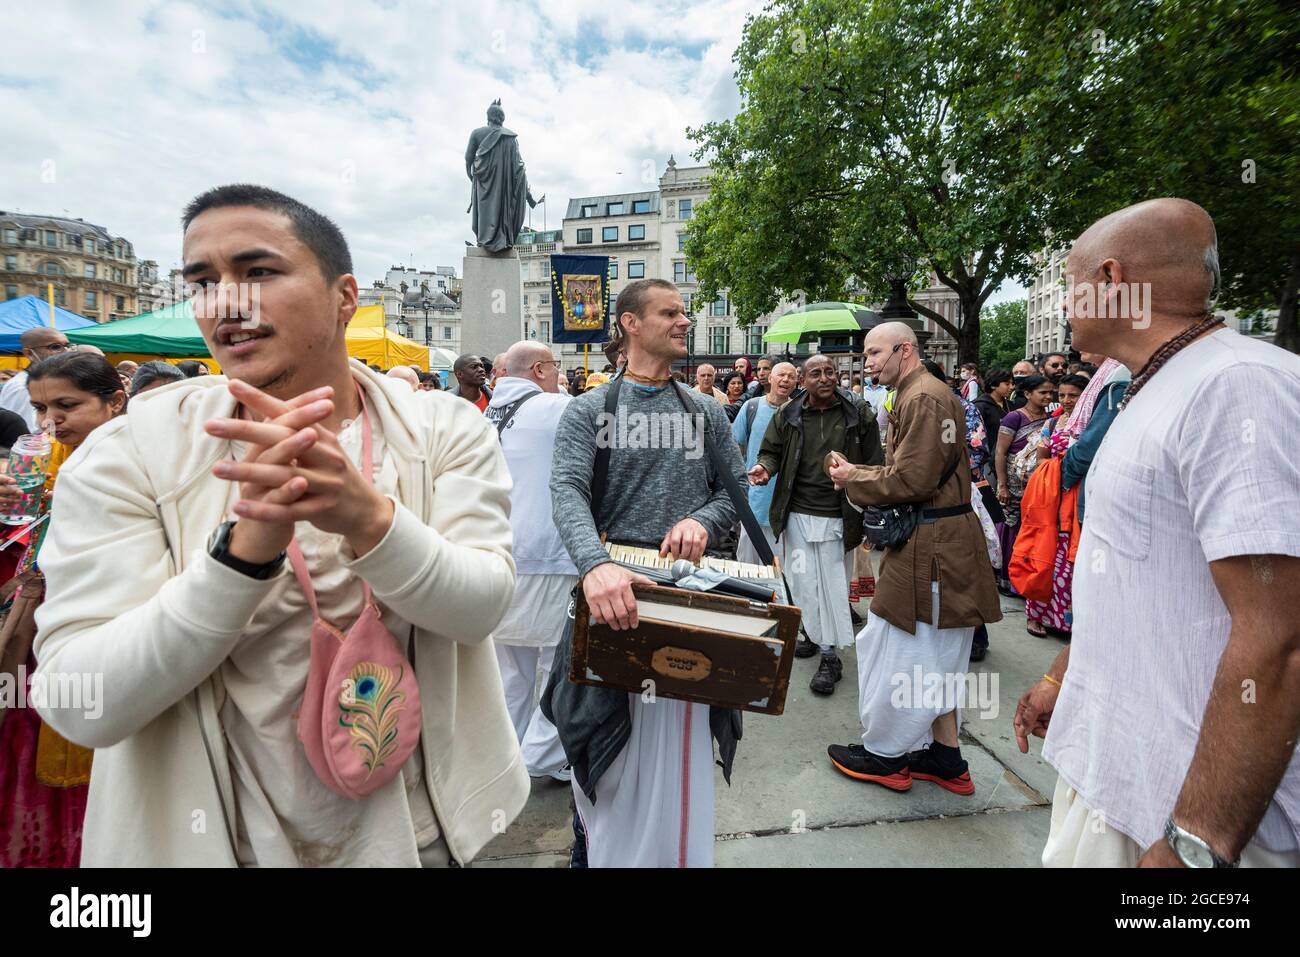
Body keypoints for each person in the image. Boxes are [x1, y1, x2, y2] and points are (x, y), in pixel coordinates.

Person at [31, 184, 526, 867]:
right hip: (213, 843)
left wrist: (368, 519)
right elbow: (80, 701)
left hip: (417, 835)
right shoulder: (132, 449)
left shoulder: (442, 428)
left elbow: (482, 607)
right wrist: (242, 555)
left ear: (344, 297)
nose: (224, 303)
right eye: (202, 281)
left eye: (258, 272)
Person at [1015, 197, 1300, 868]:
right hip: (1120, 782)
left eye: (1072, 278)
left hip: (1185, 818)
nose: (1064, 301)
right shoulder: (1151, 383)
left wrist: (1198, 841)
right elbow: (1137, 574)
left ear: (1113, 280)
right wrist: (1064, 675)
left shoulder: (1239, 386)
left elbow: (1281, 637)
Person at [545, 277, 745, 868]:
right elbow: (566, 491)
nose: (685, 321)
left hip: (684, 607)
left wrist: (703, 521)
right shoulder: (588, 409)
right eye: (670, 312)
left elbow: (731, 496)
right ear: (630, 323)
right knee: (604, 752)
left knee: (675, 760)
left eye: (684, 313)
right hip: (608, 599)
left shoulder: (707, 411)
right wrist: (596, 565)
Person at [827, 322, 1001, 794]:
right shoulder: (919, 392)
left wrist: (852, 479)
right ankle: (946, 759)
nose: (867, 362)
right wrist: (862, 473)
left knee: (898, 651)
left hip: (934, 549)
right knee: (937, 657)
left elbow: (913, 481)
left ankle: (885, 756)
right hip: (938, 543)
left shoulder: (923, 396)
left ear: (905, 350)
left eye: (875, 352)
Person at [0, 352, 127, 867]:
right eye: (38, 409)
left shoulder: (138, 466)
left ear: (115, 401)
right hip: (37, 646)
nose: (50, 422)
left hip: (109, 648)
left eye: (66, 406)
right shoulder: (42, 463)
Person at [749, 354, 882, 695]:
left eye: (829, 372)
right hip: (797, 514)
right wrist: (765, 468)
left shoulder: (859, 415)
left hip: (840, 514)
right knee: (803, 583)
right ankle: (813, 632)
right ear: (802, 380)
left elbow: (875, 464)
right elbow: (771, 451)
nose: (824, 378)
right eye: (816, 373)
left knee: (833, 587)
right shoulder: (788, 415)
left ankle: (830, 656)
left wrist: (862, 491)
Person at [484, 342, 573, 782]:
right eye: (556, 367)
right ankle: (537, 759)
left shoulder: (483, 413)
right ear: (540, 369)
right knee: (558, 663)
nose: (559, 374)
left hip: (496, 557)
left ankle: (503, 757)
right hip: (547, 555)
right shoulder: (555, 408)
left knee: (511, 673)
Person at [1022, 373, 1087, 639]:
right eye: (1063, 395)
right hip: (1052, 498)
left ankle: (1068, 620)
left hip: (1078, 500)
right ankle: (1036, 615)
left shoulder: (1092, 423)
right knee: (1044, 553)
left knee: (1071, 560)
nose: (1067, 400)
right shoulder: (1053, 422)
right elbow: (1041, 456)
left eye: (1073, 395)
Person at [993, 374, 1055, 596]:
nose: (1048, 396)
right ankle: (1007, 579)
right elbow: (1000, 451)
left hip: (1035, 486)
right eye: (1043, 392)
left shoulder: (1051, 420)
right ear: (1027, 394)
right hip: (1012, 484)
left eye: (1051, 392)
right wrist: (1002, 485)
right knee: (1011, 527)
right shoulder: (1014, 418)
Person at [731, 361, 797, 565]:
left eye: (791, 376)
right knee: (748, 567)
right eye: (780, 375)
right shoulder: (751, 407)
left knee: (782, 571)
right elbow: (733, 445)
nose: (785, 380)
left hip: (788, 505)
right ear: (769, 378)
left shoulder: (799, 412)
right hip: (755, 501)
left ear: (797, 382)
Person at [0, 328, 72, 431]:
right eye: (55, 347)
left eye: (67, 346)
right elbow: (25, 434)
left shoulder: (47, 381)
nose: (66, 351)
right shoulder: (22, 387)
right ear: (29, 353)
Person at [973, 369, 1013, 489]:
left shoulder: (1011, 405)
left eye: (1012, 383)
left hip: (1009, 459)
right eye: (1007, 384)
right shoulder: (979, 406)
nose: (1011, 387)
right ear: (993, 385)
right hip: (988, 461)